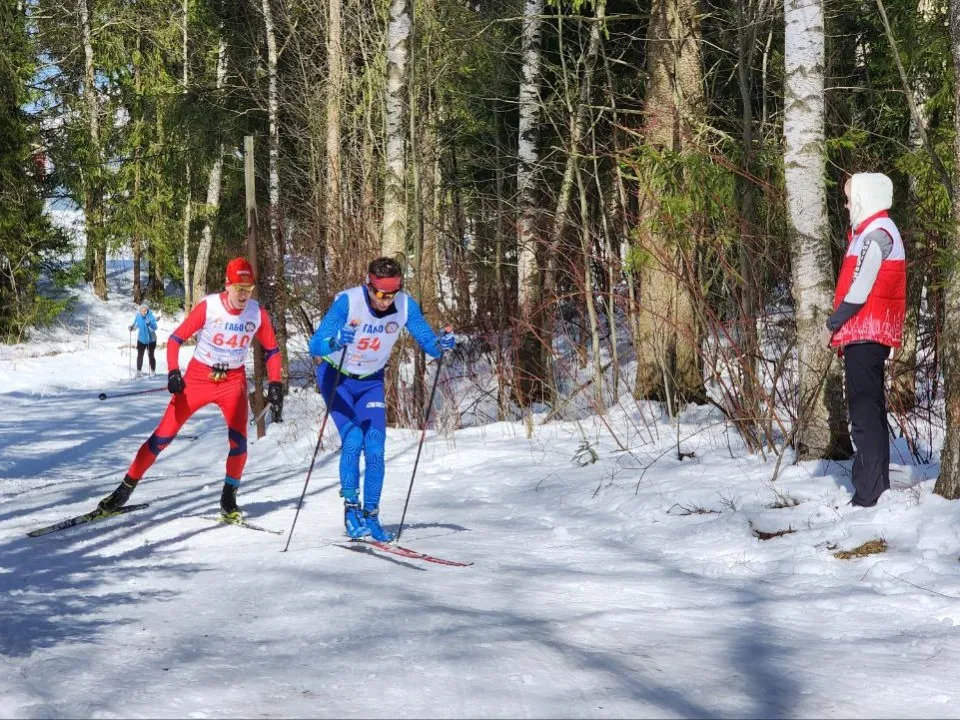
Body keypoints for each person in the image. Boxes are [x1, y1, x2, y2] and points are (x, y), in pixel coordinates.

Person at [98, 257, 284, 521]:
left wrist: (275, 381)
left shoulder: (257, 313)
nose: (244, 295)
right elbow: (175, 340)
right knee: (162, 437)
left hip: (232, 381)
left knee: (239, 442)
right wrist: (174, 371)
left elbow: (273, 350)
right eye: (239, 288)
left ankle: (229, 497)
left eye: (249, 289)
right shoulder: (209, 307)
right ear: (227, 285)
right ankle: (124, 489)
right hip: (199, 378)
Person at [309, 257, 456, 541]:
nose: (386, 300)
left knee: (375, 447)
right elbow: (315, 344)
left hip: (371, 381)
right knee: (353, 439)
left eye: (392, 293)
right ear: (369, 285)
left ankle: (372, 515)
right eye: (380, 293)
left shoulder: (405, 305)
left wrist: (442, 344)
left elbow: (428, 342)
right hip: (337, 378)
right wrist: (337, 340)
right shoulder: (348, 302)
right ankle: (351, 510)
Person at [820, 172, 906, 507]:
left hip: (867, 330)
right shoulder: (868, 232)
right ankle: (874, 484)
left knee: (864, 411)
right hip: (863, 331)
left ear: (864, 198)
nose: (845, 204)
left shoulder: (878, 234)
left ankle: (870, 491)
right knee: (867, 408)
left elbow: (860, 288)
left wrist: (833, 323)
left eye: (848, 198)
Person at [130, 304, 158, 377]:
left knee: (151, 355)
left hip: (151, 340)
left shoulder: (151, 316)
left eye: (145, 310)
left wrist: (149, 324)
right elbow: (135, 325)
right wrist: (131, 328)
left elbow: (155, 328)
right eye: (142, 310)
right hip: (141, 339)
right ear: (140, 311)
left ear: (147, 310)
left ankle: (153, 371)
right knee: (140, 355)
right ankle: (139, 371)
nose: (143, 312)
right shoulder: (138, 317)